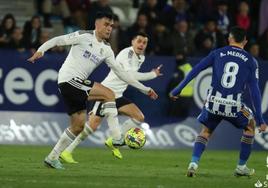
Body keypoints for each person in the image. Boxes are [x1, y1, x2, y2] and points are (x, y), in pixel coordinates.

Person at [28, 12, 158, 170]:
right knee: (108, 94)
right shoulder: (83, 36)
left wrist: (145, 89)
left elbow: (122, 74)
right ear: (97, 24)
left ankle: (52, 157)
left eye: (111, 25)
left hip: (77, 86)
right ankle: (116, 137)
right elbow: (58, 40)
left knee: (78, 126)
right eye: (106, 24)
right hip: (68, 79)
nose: (109, 28)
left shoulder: (107, 49)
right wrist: (41, 50)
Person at [169, 26, 267, 177]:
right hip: (233, 106)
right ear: (245, 41)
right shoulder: (251, 61)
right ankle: (241, 167)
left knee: (206, 130)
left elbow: (196, 70)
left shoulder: (217, 53)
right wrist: (260, 119)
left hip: (213, 102)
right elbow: (255, 91)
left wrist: (178, 88)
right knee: (250, 125)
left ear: (229, 38)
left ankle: (193, 164)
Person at [60, 32, 162, 163]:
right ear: (132, 42)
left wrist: (151, 77)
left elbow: (130, 77)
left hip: (118, 95)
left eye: (145, 42)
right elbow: (130, 75)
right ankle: (67, 151)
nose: (142, 44)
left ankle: (113, 140)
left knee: (139, 117)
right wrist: (151, 76)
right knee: (92, 126)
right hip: (106, 94)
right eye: (139, 41)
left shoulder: (141, 58)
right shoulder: (127, 54)